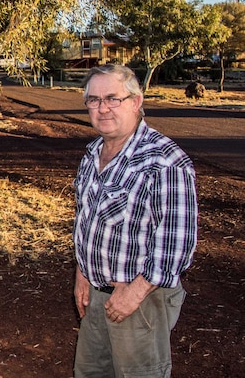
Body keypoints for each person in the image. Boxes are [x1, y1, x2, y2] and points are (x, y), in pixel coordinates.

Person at [72, 64, 197, 378]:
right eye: (94, 100)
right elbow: (86, 219)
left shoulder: (165, 161)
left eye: (113, 98)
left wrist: (136, 292)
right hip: (97, 293)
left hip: (140, 298)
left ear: (136, 102)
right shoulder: (92, 154)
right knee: (91, 372)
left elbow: (177, 241)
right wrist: (82, 272)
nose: (102, 108)